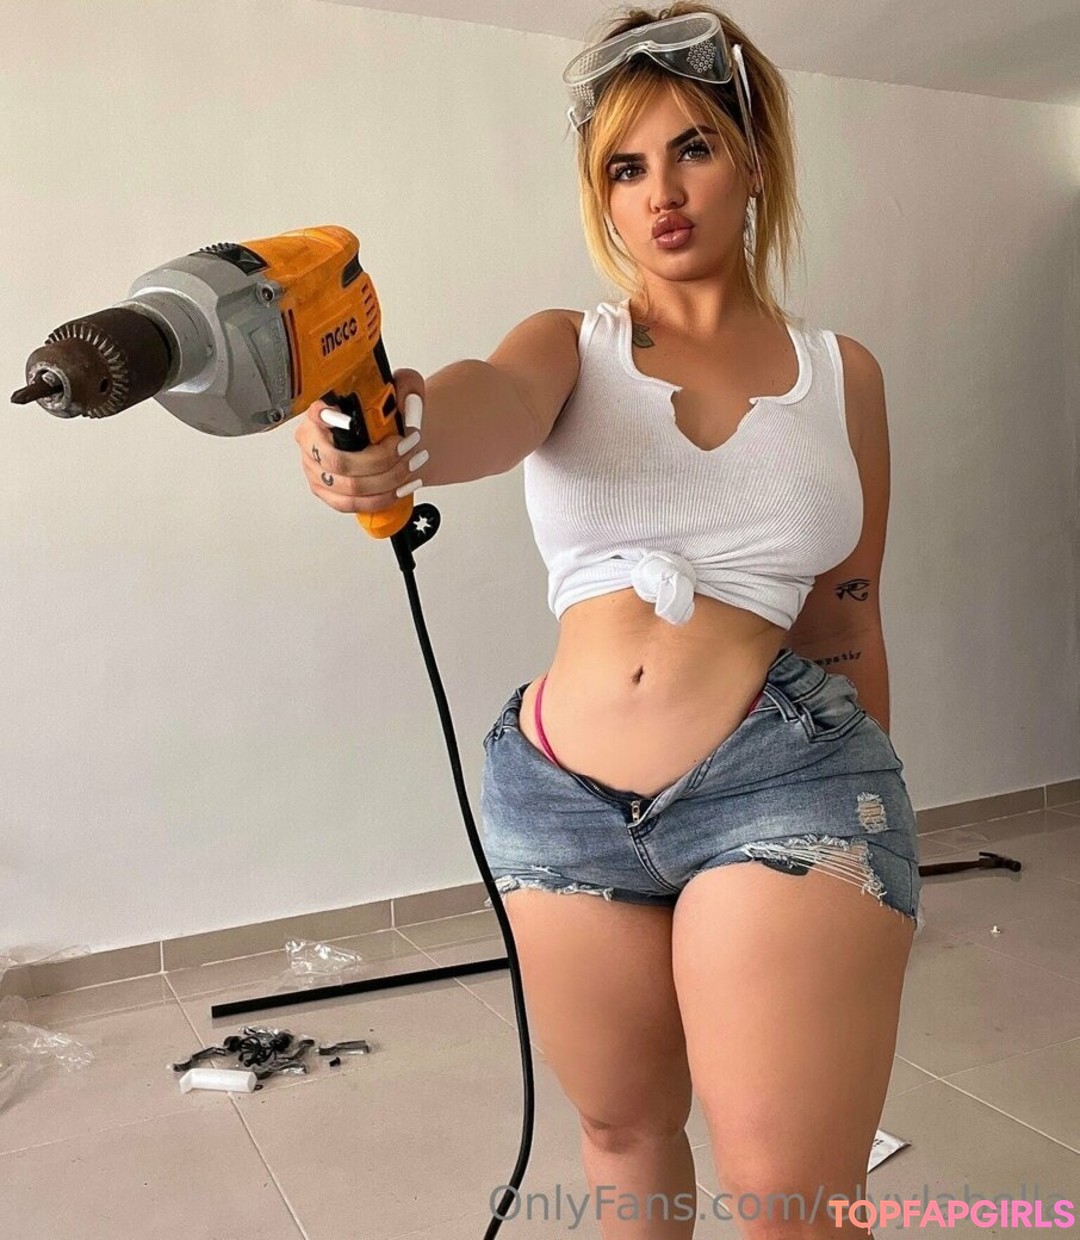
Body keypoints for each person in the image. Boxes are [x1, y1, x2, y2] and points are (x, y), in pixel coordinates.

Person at [294, 5, 923, 1236]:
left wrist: (876, 860)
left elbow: (848, 615)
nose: (660, 194)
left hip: (785, 786)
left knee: (790, 1200)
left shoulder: (842, 374)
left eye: (692, 148)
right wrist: (391, 435)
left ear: (754, 159)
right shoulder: (568, 347)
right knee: (622, 1138)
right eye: (624, 168)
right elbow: (479, 407)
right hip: (559, 800)